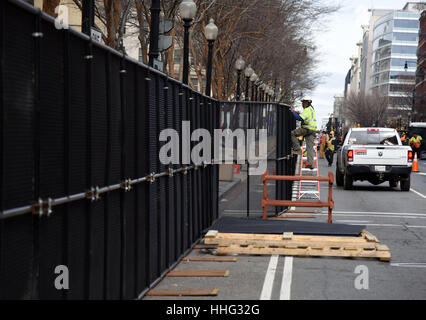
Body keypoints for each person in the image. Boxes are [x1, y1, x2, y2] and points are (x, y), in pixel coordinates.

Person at [291, 96, 317, 169]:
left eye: (303, 102)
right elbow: (303, 116)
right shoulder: (311, 109)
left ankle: (297, 149)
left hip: (307, 129)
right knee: (310, 148)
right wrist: (298, 113)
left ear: (307, 102)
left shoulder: (307, 109)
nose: (302, 104)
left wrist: (293, 112)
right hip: (312, 130)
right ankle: (310, 164)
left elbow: (299, 118)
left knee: (292, 133)